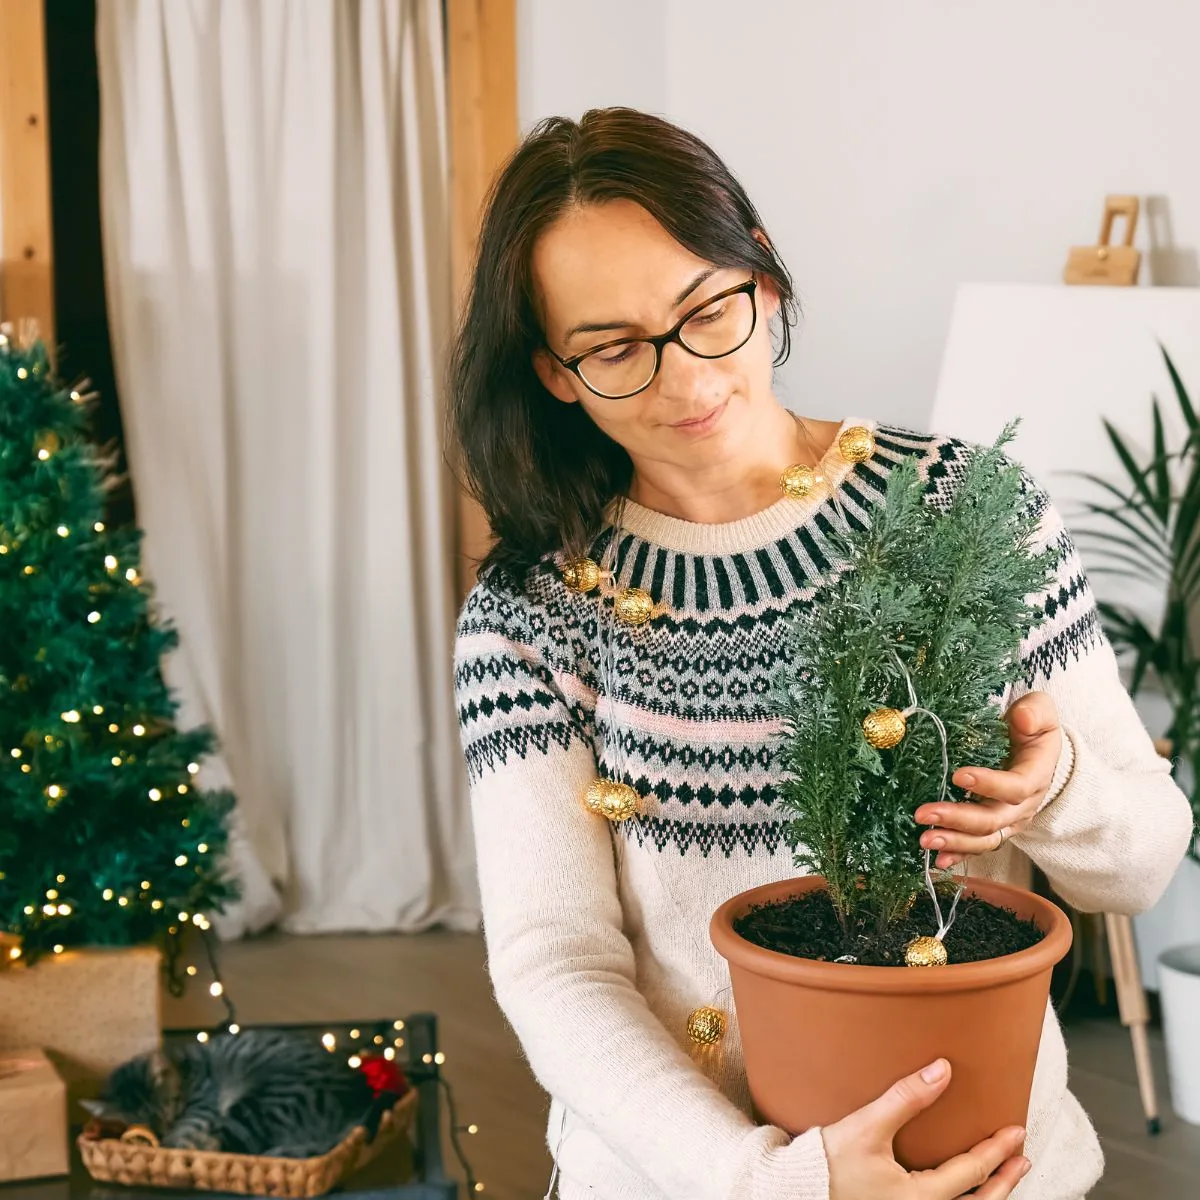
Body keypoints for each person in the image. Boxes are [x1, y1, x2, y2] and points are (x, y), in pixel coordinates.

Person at [448, 107, 1193, 1200]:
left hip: (991, 1164)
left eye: (709, 310)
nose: (686, 377)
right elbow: (554, 963)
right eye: (613, 348)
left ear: (766, 280)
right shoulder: (533, 613)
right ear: (554, 373)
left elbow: (1145, 862)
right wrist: (774, 1181)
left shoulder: (964, 512)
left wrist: (1055, 791)